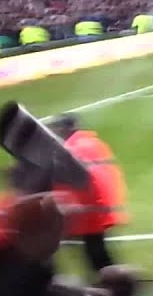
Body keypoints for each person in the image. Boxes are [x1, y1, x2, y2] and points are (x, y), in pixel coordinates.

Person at [51, 114, 129, 274]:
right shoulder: (94, 143)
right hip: (102, 205)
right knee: (98, 252)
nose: (55, 131)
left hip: (89, 210)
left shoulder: (71, 149)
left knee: (97, 257)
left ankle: (114, 287)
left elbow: (68, 179)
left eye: (57, 127)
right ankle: (116, 284)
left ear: (68, 127)